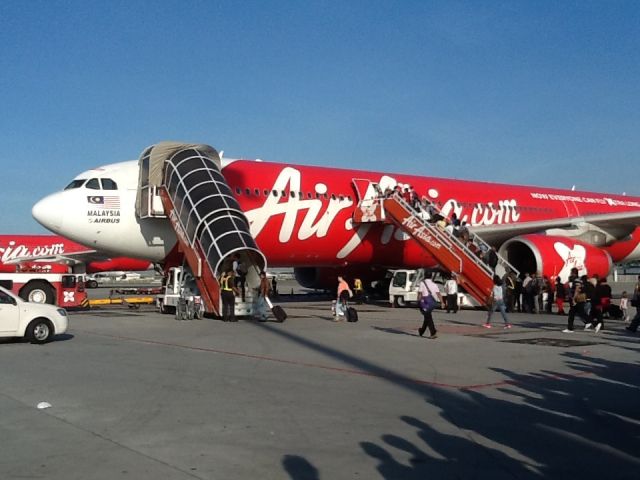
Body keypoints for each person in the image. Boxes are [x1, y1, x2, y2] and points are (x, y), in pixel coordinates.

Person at [417, 272, 441, 339]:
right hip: (432, 303)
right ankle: (421, 331)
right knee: (427, 316)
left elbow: (419, 293)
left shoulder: (422, 283)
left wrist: (418, 301)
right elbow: (438, 294)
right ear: (431, 276)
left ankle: (433, 332)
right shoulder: (434, 284)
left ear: (424, 276)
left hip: (425, 303)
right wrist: (442, 302)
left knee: (428, 317)